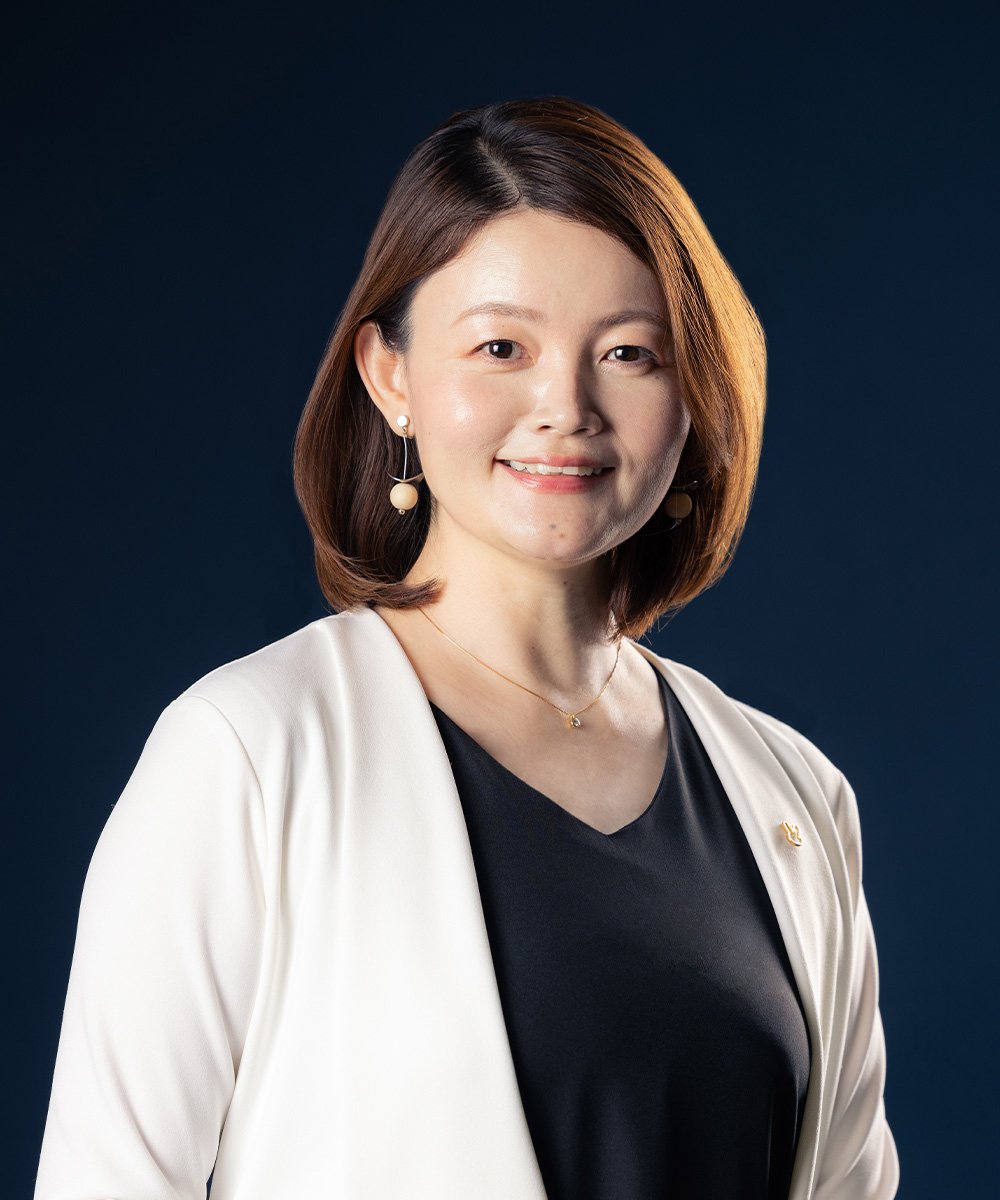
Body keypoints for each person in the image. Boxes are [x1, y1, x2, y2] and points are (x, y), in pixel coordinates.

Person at [34, 96, 900, 1199]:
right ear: (390, 376)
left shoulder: (794, 795)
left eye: (629, 353)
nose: (565, 406)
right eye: (501, 347)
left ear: (693, 393)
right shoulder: (246, 752)